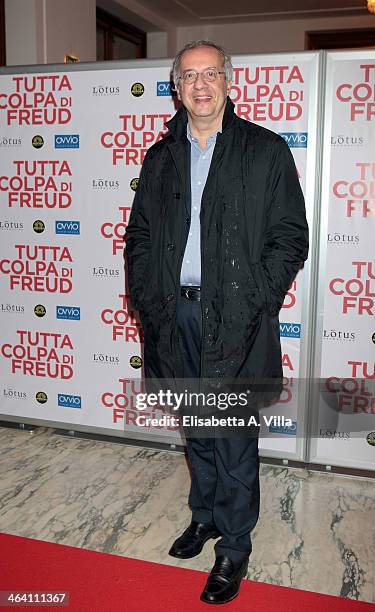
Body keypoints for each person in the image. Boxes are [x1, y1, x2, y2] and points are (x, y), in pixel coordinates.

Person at [126, 40, 308, 605]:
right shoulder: (160, 156)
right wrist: (149, 293)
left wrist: (255, 298)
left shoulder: (265, 150)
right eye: (189, 76)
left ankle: (234, 546)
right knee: (195, 426)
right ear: (175, 87)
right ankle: (203, 515)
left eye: (211, 74)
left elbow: (289, 237)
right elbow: (140, 236)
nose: (200, 85)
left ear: (230, 81)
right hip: (174, 312)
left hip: (236, 315)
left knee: (232, 436)